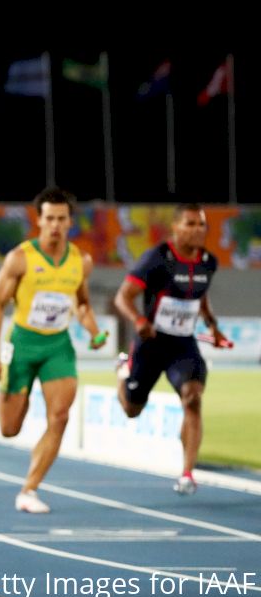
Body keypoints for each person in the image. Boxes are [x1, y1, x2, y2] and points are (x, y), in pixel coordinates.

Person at [0, 187, 106, 514]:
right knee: (10, 428)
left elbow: (81, 304)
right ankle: (16, 394)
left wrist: (93, 330)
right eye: (49, 218)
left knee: (61, 416)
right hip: (21, 344)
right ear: (39, 220)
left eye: (61, 219)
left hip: (57, 346)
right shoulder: (20, 259)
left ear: (70, 222)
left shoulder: (81, 261)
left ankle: (29, 489)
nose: (55, 225)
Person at [113, 203, 228, 495]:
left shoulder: (208, 262)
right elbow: (122, 297)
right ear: (175, 228)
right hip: (151, 344)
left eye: (201, 224)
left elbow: (199, 297)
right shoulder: (157, 258)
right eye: (190, 224)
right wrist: (138, 319)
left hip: (183, 345)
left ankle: (187, 473)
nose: (197, 230)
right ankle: (122, 369)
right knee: (131, 409)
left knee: (192, 399)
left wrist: (212, 327)